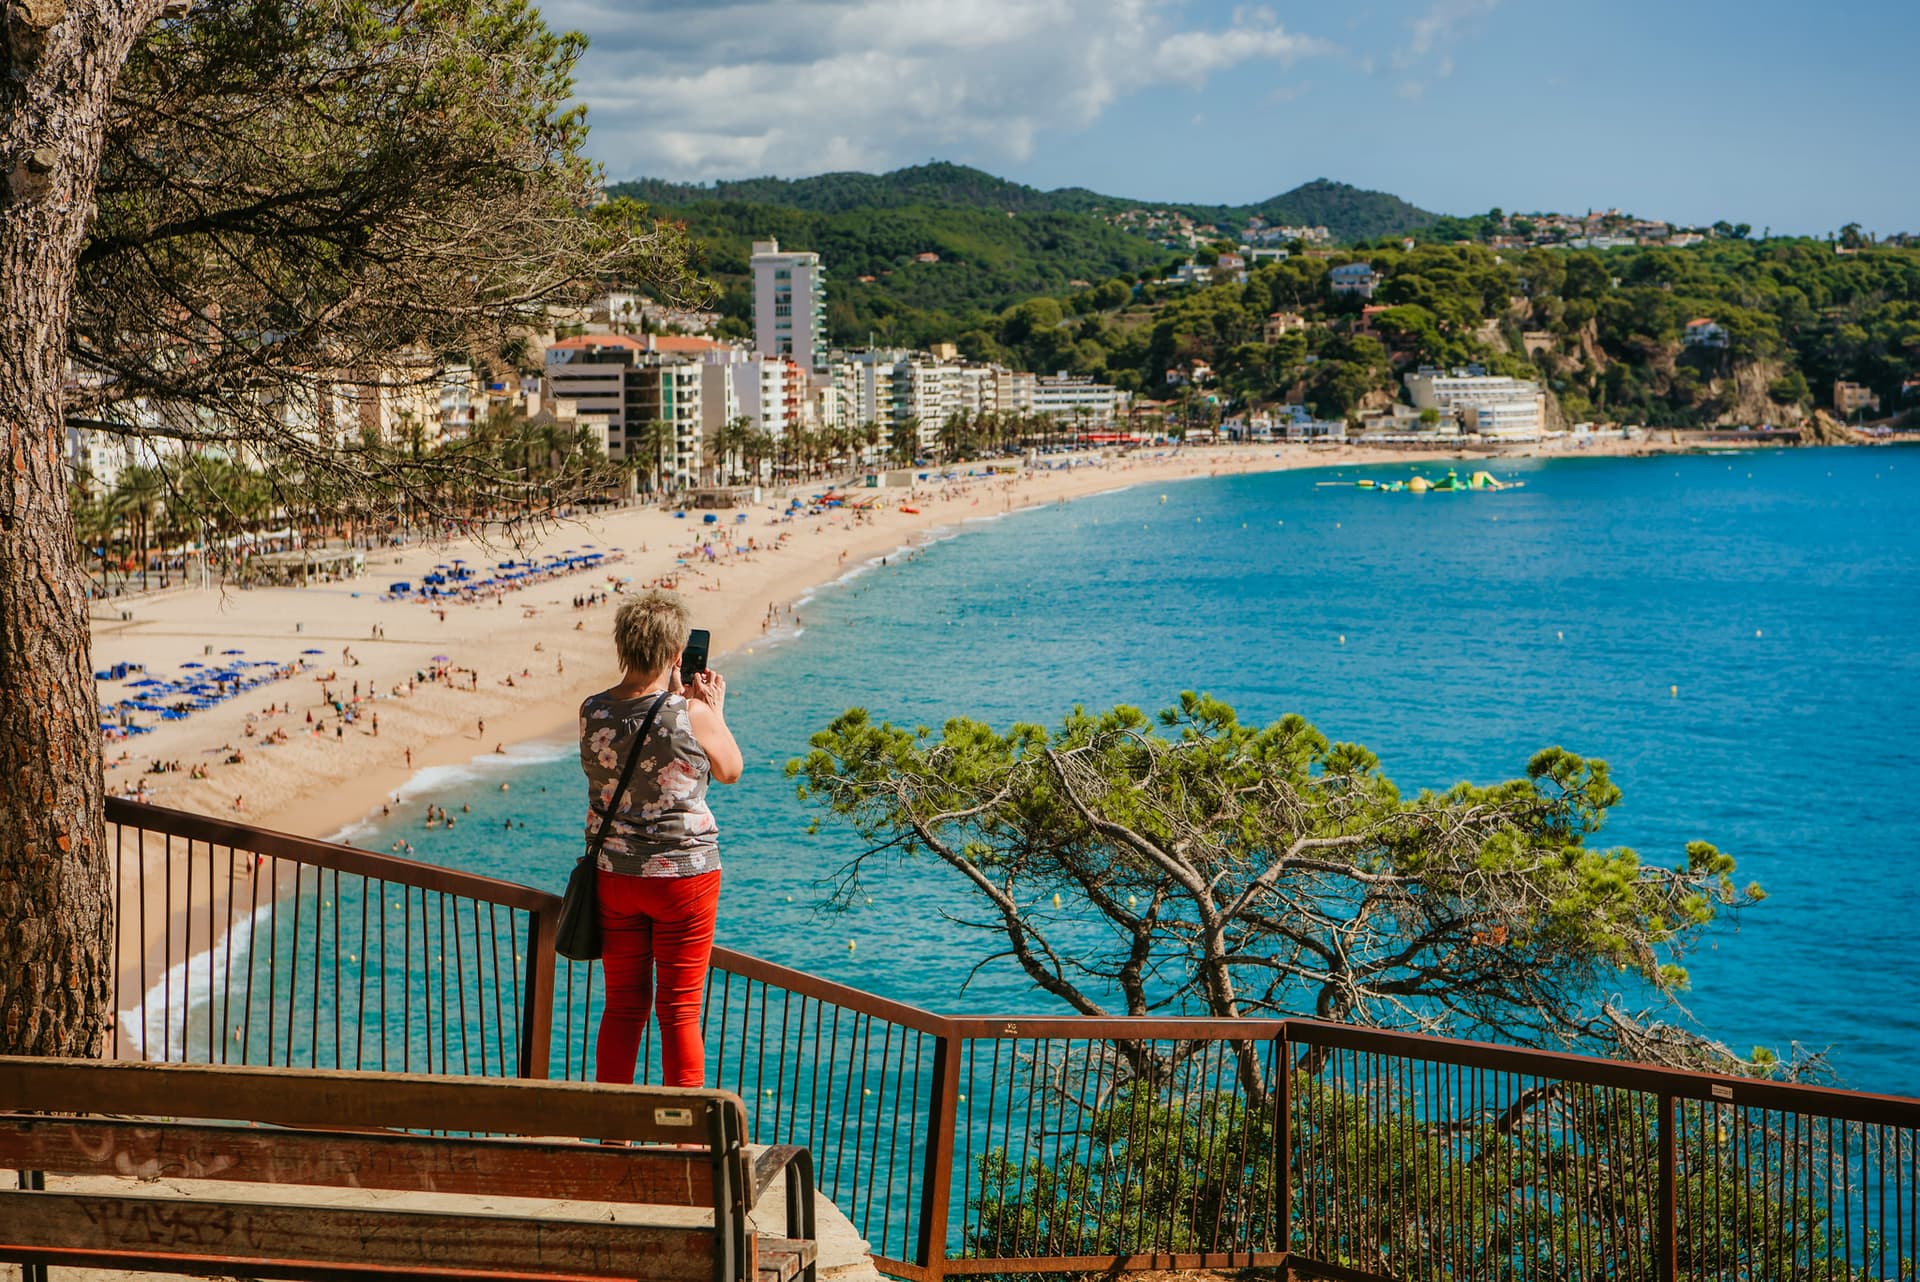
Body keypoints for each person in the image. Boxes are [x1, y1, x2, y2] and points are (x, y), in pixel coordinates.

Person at [580, 590, 742, 1089]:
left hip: (614, 875)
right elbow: (730, 770)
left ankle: (612, 1137)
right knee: (678, 1011)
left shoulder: (593, 711)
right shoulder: (690, 714)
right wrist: (711, 709)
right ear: (677, 655)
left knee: (624, 1006)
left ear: (623, 647)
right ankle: (685, 1145)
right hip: (683, 880)